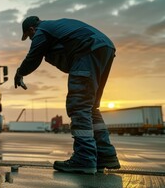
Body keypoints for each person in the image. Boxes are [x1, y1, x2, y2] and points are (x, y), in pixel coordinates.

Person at [14, 16, 120, 174]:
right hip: (105, 48)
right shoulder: (56, 27)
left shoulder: (41, 31)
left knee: (79, 105)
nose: (31, 39)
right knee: (90, 107)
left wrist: (19, 73)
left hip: (88, 50)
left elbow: (33, 57)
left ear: (31, 29)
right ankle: (105, 155)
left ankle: (84, 159)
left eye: (29, 37)